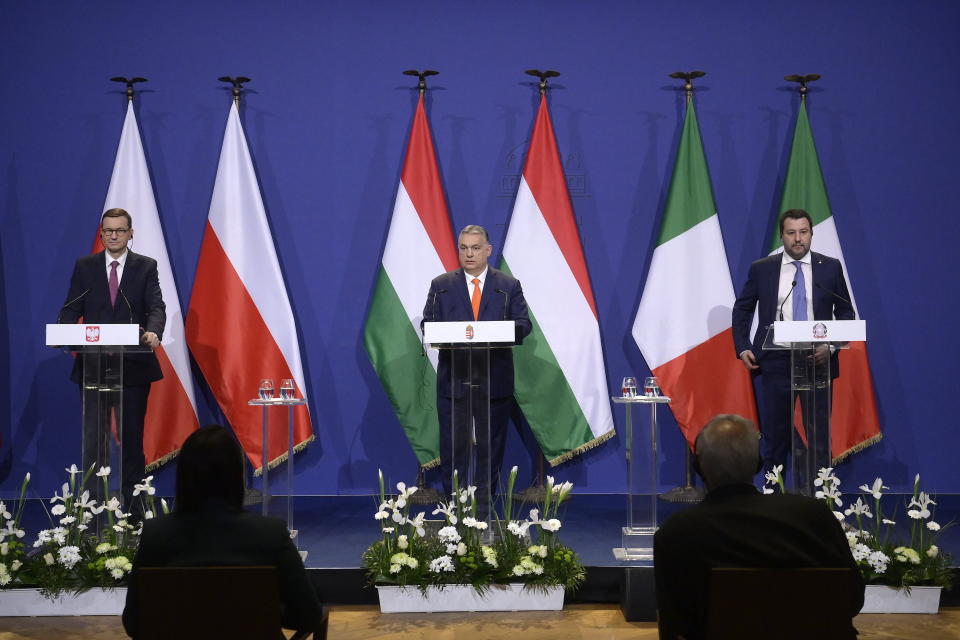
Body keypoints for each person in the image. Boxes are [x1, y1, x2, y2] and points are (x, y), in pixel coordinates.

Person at [653, 414, 865, 640]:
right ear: (758, 464)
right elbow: (851, 598)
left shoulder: (678, 533)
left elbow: (675, 625)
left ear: (698, 467)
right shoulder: (814, 516)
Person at [122, 425, 323, 638]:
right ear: (236, 477)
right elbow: (308, 615)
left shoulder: (157, 535)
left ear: (183, 476)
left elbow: (134, 622)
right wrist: (263, 610)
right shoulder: (269, 534)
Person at [731, 209, 854, 475]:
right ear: (782, 236)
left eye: (803, 232)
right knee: (775, 438)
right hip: (775, 362)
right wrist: (743, 347)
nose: (798, 239)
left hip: (817, 361)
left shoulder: (830, 267)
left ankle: (822, 500)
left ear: (811, 234)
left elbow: (846, 313)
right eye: (791, 233)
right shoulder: (762, 269)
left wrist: (830, 346)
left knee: (819, 436)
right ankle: (774, 499)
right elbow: (742, 309)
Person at [59, 208, 165, 514]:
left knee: (131, 441)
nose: (114, 235)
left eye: (120, 230)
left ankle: (133, 512)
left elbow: (156, 307)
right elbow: (70, 307)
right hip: (94, 366)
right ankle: (91, 512)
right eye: (108, 231)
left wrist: (153, 332)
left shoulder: (146, 267)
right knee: (95, 443)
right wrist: (63, 329)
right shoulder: (86, 266)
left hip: (132, 366)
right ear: (101, 233)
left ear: (131, 233)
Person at [422, 225, 531, 515]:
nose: (469, 254)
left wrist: (495, 332)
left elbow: (523, 324)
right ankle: (454, 509)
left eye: (475, 248)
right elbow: (427, 324)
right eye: (463, 248)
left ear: (488, 250)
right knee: (453, 448)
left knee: (490, 448)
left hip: (493, 380)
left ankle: (483, 510)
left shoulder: (508, 285)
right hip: (454, 380)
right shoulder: (441, 284)